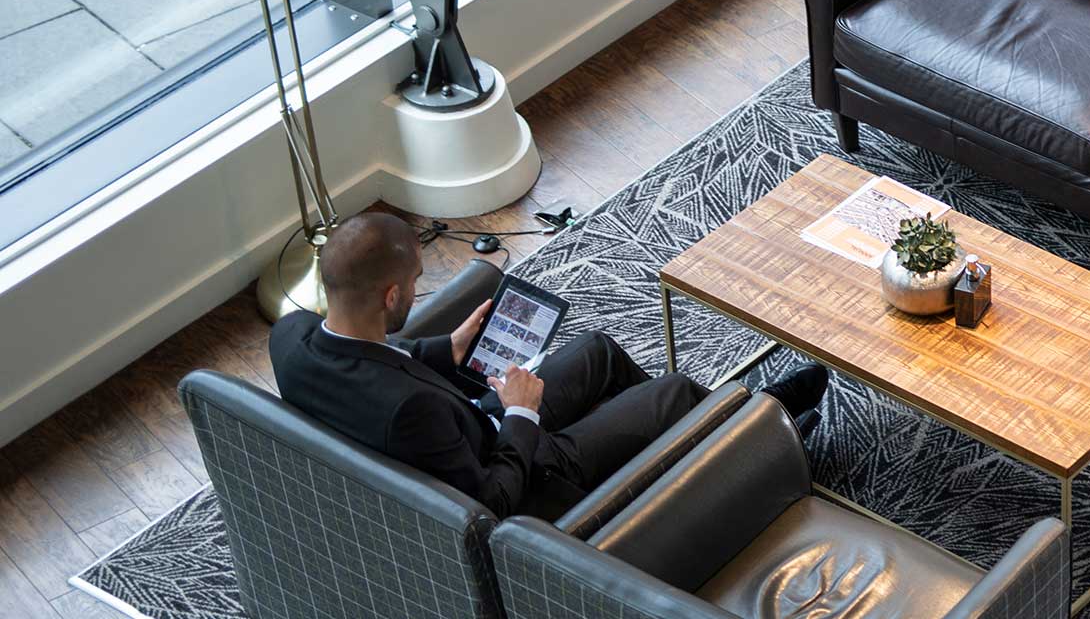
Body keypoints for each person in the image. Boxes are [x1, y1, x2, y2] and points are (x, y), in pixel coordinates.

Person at [270, 212, 832, 518]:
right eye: (416, 284)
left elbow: (377, 360)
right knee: (677, 391)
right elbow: (491, 503)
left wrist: (446, 348)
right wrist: (521, 416)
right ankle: (761, 443)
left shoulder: (291, 339)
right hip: (531, 474)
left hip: (474, 423)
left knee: (599, 351)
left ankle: (688, 450)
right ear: (391, 297)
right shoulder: (411, 410)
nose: (419, 295)